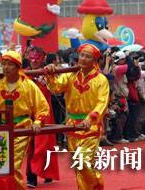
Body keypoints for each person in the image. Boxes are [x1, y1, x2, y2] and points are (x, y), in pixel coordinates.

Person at [44, 44, 109, 190]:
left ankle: (97, 186)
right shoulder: (70, 75)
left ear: (95, 61)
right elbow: (55, 88)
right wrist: (51, 74)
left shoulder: (101, 80)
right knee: (79, 166)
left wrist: (89, 119)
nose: (83, 59)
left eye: (88, 56)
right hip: (72, 125)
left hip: (90, 126)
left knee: (83, 161)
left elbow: (102, 103)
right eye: (82, 55)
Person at [0, 51, 49, 190]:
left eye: (9, 65)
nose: (6, 68)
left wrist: (38, 122)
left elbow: (42, 107)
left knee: (12, 165)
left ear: (18, 66)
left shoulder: (29, 85)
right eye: (3, 64)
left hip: (21, 128)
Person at [25, 46, 59, 187]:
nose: (34, 61)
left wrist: (50, 77)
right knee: (31, 144)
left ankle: (47, 172)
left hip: (45, 113)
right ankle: (31, 176)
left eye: (37, 58)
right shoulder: (24, 74)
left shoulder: (48, 72)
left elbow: (57, 87)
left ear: (43, 58)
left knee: (45, 143)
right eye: (31, 58)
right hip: (28, 113)